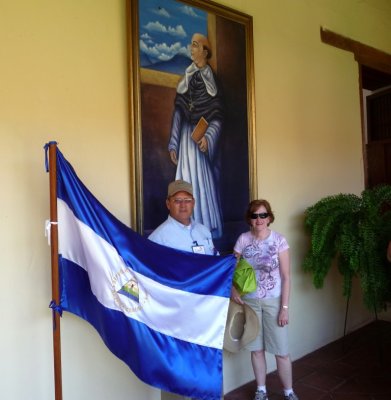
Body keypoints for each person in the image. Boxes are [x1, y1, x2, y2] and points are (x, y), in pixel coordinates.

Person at [148, 179, 218, 400]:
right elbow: (151, 278)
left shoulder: (203, 231)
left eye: (187, 200)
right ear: (168, 203)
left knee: (203, 366)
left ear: (194, 202)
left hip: (205, 315)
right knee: (176, 371)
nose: (183, 205)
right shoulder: (159, 237)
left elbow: (214, 264)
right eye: (178, 200)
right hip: (176, 317)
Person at [231, 200, 299, 400]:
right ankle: (261, 390)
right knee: (256, 349)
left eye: (262, 215)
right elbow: (230, 268)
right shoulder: (243, 240)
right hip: (250, 302)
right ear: (249, 219)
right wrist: (233, 289)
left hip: (273, 302)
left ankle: (288, 391)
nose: (258, 219)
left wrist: (284, 308)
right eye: (254, 215)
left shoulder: (279, 240)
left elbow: (286, 277)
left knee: (281, 351)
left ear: (269, 218)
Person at [168, 33, 224, 239]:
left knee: (201, 183)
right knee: (185, 179)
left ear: (205, 51)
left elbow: (217, 116)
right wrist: (173, 143)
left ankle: (204, 228)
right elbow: (178, 112)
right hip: (185, 140)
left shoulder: (212, 82)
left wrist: (208, 137)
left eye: (194, 45)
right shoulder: (188, 77)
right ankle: (183, 230)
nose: (190, 49)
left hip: (200, 144)